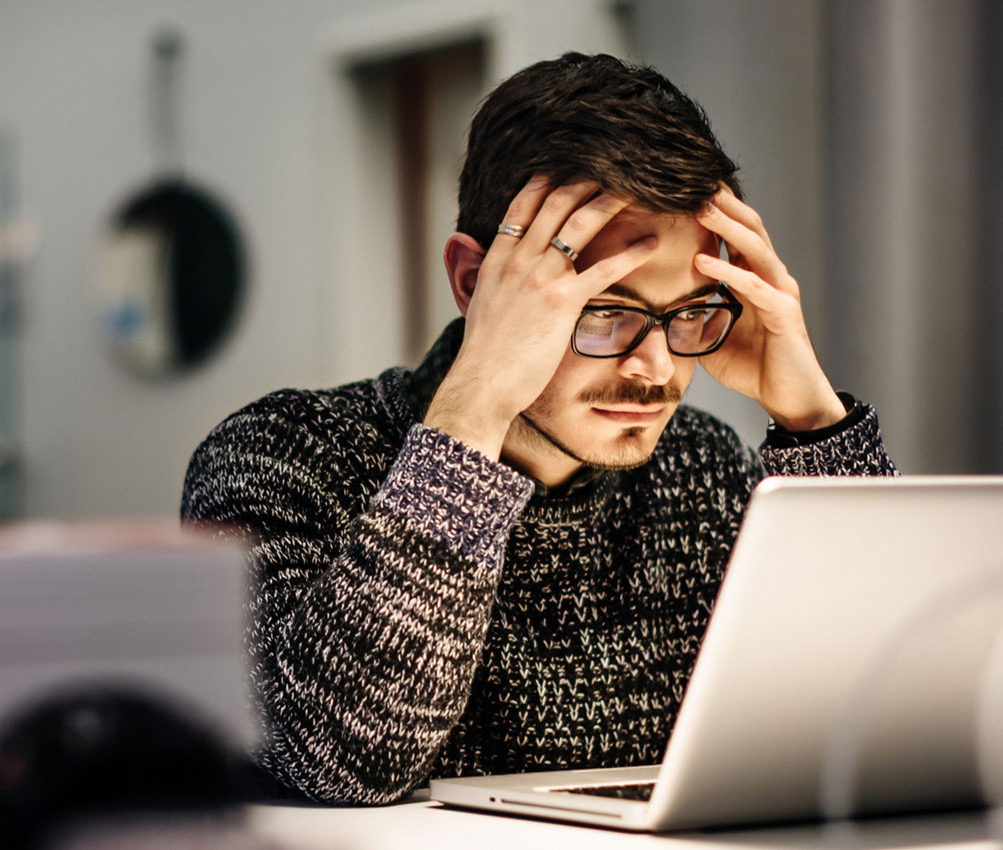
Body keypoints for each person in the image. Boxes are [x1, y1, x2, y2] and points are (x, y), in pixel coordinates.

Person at [181, 52, 895, 805]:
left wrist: (816, 423)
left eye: (687, 312)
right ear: (472, 282)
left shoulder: (705, 470)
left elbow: (885, 713)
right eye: (605, 310)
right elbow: (342, 763)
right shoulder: (279, 454)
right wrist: (478, 401)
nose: (654, 368)